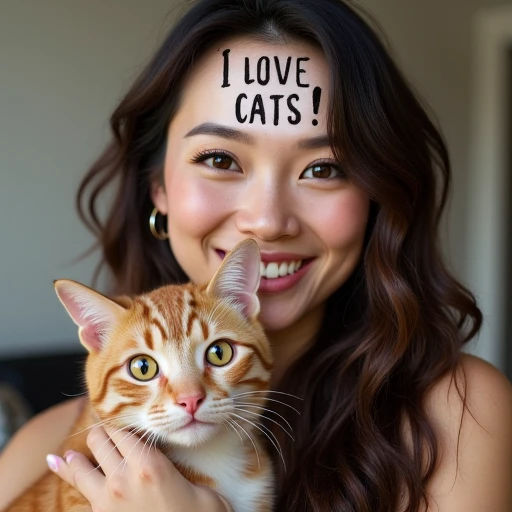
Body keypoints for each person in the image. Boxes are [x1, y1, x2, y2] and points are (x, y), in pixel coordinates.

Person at [1, 0, 511, 510]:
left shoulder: (464, 418)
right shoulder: (45, 448)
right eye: (220, 159)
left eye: (325, 168)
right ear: (156, 185)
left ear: (376, 193)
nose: (267, 221)